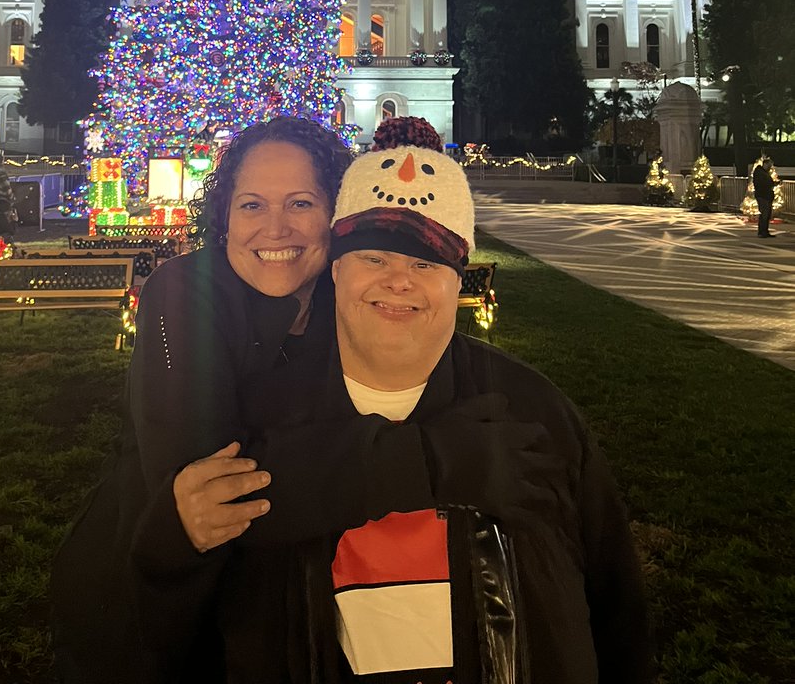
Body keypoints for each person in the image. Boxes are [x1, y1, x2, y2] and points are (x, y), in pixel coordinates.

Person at [159, 120, 653, 683]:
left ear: (456, 280)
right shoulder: (256, 416)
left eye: (425, 263)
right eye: (374, 258)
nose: (399, 282)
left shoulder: (535, 414)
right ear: (336, 269)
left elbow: (616, 613)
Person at [50, 116, 353, 683]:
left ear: (335, 214)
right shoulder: (184, 292)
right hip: (152, 602)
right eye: (252, 205)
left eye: (302, 203)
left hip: (292, 615)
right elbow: (211, 486)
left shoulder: (347, 297)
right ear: (225, 216)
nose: (276, 228)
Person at [752, 156, 775, 239]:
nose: (770, 167)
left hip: (766, 195)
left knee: (767, 214)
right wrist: (771, 184)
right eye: (769, 165)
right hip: (763, 195)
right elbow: (762, 184)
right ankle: (762, 232)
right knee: (764, 214)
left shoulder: (763, 173)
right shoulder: (760, 173)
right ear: (765, 164)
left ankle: (764, 231)